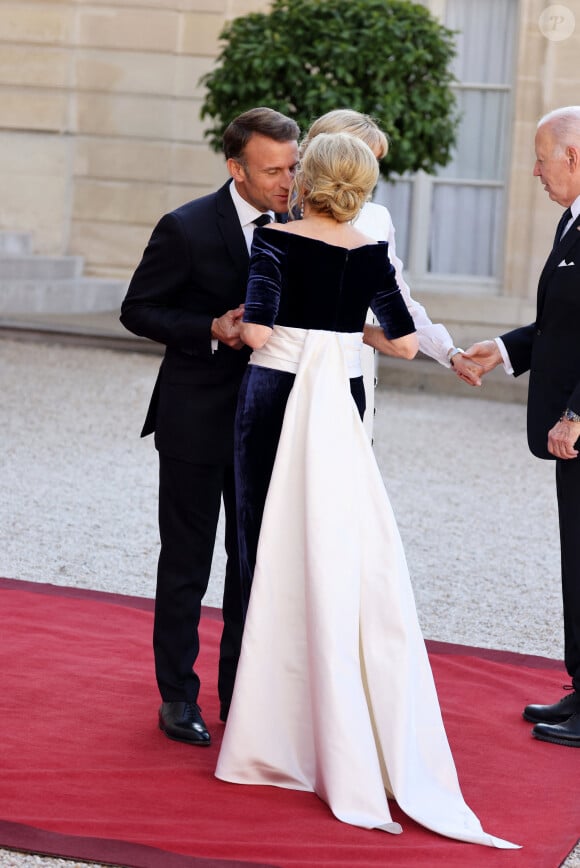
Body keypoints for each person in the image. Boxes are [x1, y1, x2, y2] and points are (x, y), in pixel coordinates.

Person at [215, 132, 517, 848]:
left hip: (276, 401)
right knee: (336, 551)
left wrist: (263, 324)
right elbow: (406, 342)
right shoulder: (372, 251)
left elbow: (257, 334)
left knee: (266, 554)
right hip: (337, 409)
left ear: (309, 180)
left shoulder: (276, 241)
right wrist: (354, 331)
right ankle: (334, 719)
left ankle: (271, 726)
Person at [119, 107, 300, 746]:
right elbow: (137, 309)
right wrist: (210, 329)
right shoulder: (187, 226)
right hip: (195, 420)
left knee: (252, 566)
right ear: (236, 168)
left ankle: (240, 696)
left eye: (293, 167)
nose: (287, 182)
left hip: (272, 425)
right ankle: (176, 697)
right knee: (187, 564)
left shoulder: (305, 225)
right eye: (273, 170)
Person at [463, 106, 580, 747]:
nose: (534, 170)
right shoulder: (572, 222)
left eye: (541, 157)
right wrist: (502, 350)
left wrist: (576, 414)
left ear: (573, 156)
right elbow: (563, 326)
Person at [299, 109, 483, 440]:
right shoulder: (285, 216)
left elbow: (400, 298)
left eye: (374, 161)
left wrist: (449, 352)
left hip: (353, 367)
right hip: (292, 368)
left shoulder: (376, 219)